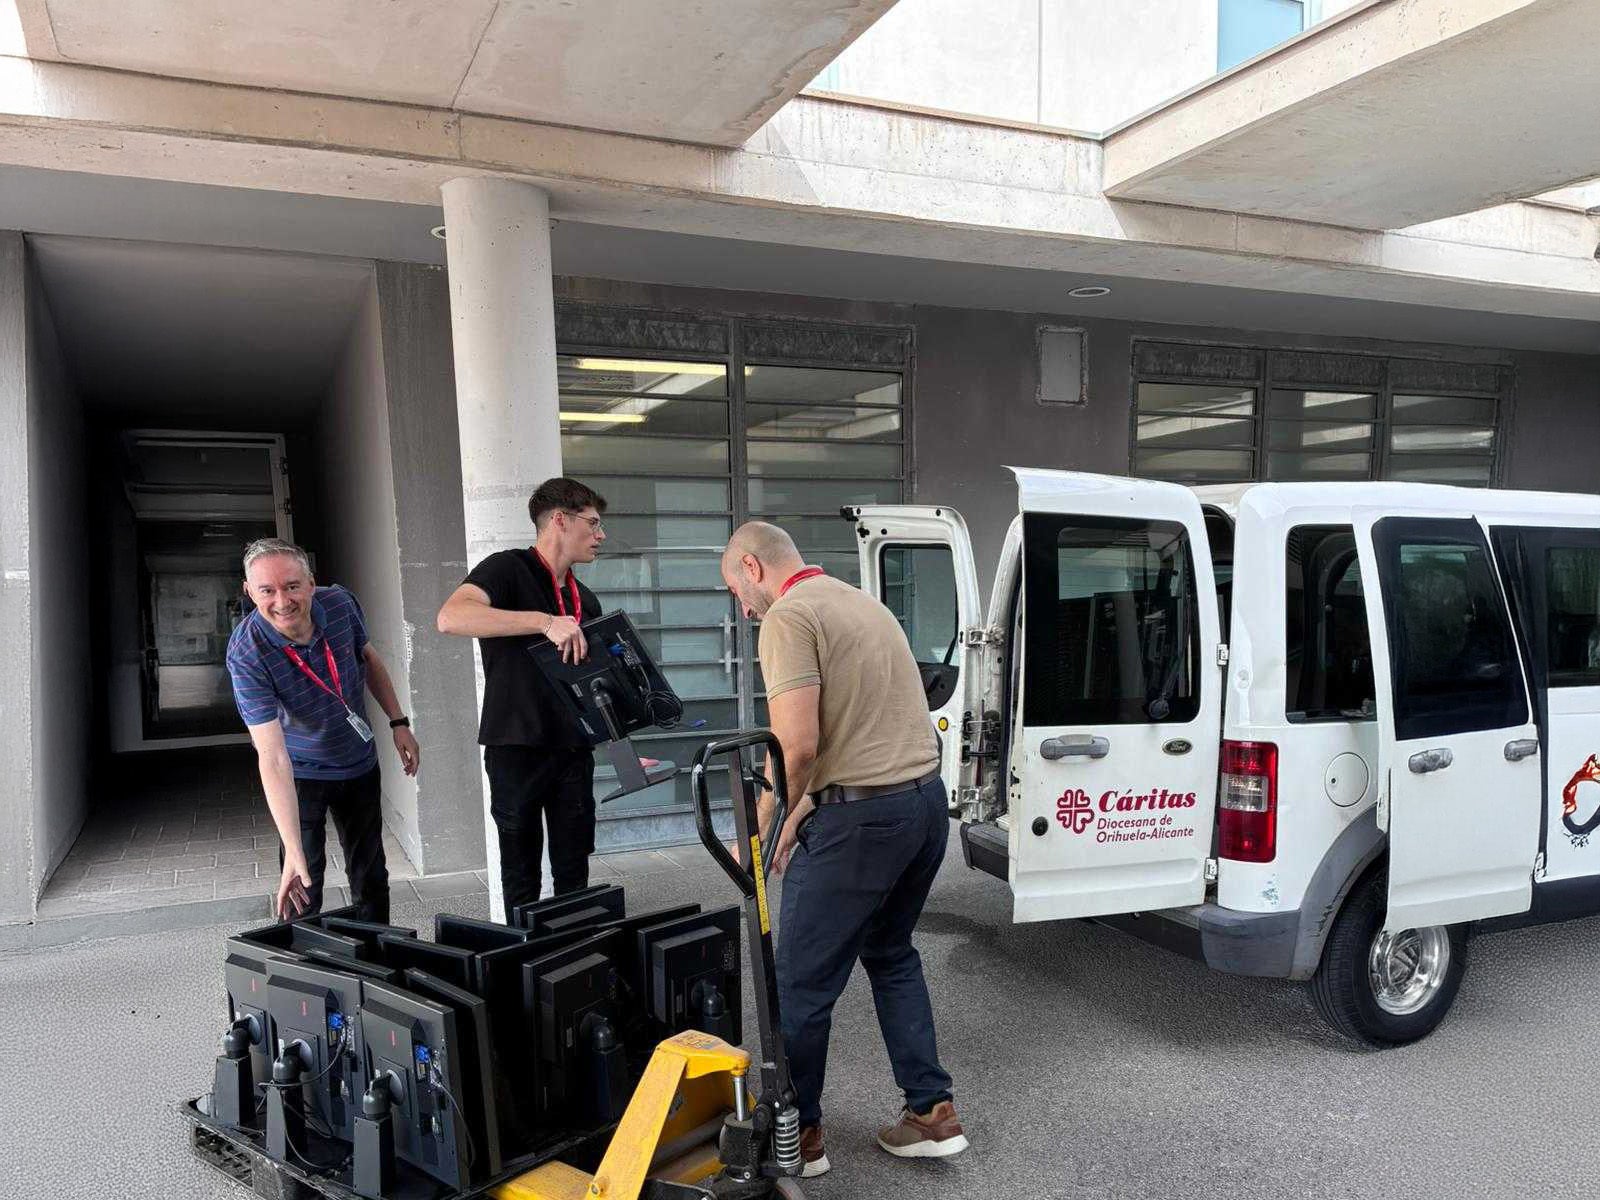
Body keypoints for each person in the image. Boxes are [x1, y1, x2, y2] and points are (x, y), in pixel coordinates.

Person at [719, 521, 967, 1178]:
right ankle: (932, 1113)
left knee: (800, 983)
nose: (743, 610)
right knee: (890, 954)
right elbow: (857, 730)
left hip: (863, 828)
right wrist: (804, 808)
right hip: (921, 808)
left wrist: (763, 829)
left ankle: (798, 1139)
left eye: (739, 592)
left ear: (754, 565)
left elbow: (796, 746)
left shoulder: (790, 618)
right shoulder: (864, 604)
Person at [225, 538, 420, 922]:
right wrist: (292, 848)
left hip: (358, 762)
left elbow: (369, 659)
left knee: (371, 877)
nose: (282, 601)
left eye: (292, 586)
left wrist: (399, 722)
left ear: (311, 584)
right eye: (267, 590)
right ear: (249, 592)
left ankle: (376, 963)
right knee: (302, 883)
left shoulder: (340, 603)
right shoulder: (247, 653)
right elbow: (272, 755)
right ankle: (304, 976)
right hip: (301, 773)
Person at [436, 477, 607, 913]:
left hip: (572, 749)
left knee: (574, 872)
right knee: (520, 873)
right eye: (593, 523)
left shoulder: (586, 598)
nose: (600, 536)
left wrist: (621, 737)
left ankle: (573, 969)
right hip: (515, 746)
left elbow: (594, 683)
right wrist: (544, 621)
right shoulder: (507, 568)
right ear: (560, 520)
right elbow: (451, 617)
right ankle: (523, 969)